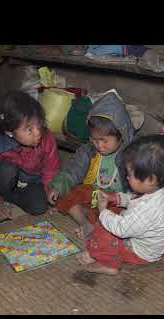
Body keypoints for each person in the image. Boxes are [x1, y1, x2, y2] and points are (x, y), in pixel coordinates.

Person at [76, 135, 164, 275]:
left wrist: (103, 211)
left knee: (103, 229)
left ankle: (108, 264)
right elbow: (133, 199)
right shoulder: (158, 190)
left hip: (139, 254)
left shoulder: (147, 208)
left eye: (130, 174)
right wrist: (115, 198)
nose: (127, 177)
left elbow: (120, 229)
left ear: (151, 179)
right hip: (151, 239)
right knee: (115, 213)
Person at [48, 92, 135, 239]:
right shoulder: (89, 150)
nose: (99, 145)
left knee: (123, 216)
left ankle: (92, 217)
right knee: (67, 194)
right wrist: (57, 187)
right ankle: (85, 222)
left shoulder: (131, 155)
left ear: (121, 136)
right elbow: (73, 171)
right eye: (95, 140)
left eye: (105, 141)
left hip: (115, 199)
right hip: (92, 192)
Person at [0, 91, 60, 221]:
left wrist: (50, 189)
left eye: (40, 124)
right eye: (29, 129)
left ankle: (13, 198)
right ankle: (5, 196)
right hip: (6, 180)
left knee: (39, 207)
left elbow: (51, 170)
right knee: (7, 169)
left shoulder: (47, 139)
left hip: (31, 181)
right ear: (10, 132)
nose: (38, 133)